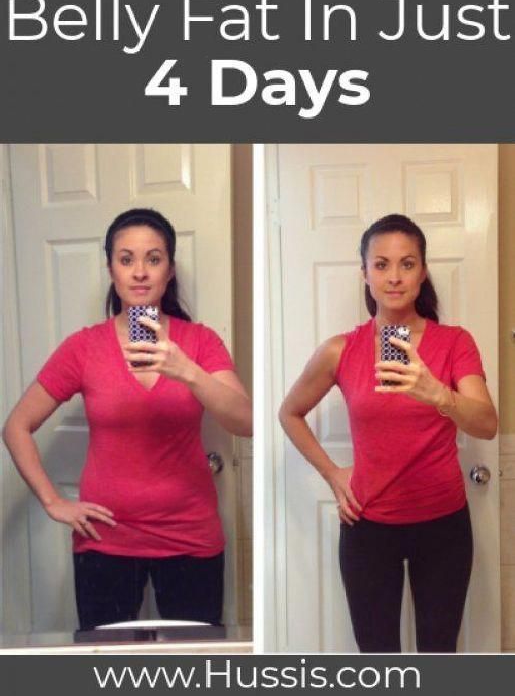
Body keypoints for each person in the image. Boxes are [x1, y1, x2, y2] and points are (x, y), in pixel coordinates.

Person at [3, 207, 251, 631]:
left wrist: (186, 370)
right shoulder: (84, 348)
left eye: (153, 259)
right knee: (106, 666)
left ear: (169, 271)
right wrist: (54, 502)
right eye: (126, 259)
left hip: (190, 536)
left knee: (193, 668)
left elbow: (245, 422)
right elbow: (16, 426)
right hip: (105, 540)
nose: (140, 272)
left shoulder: (199, 341)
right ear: (111, 269)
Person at [279, 213, 497, 654]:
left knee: (439, 653)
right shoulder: (341, 349)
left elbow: (487, 425)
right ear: (364, 273)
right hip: (368, 526)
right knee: (377, 656)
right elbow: (290, 413)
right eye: (381, 264)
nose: (394, 277)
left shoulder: (455, 342)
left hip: (443, 525)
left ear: (423, 271)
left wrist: (438, 393)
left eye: (407, 263)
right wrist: (333, 475)